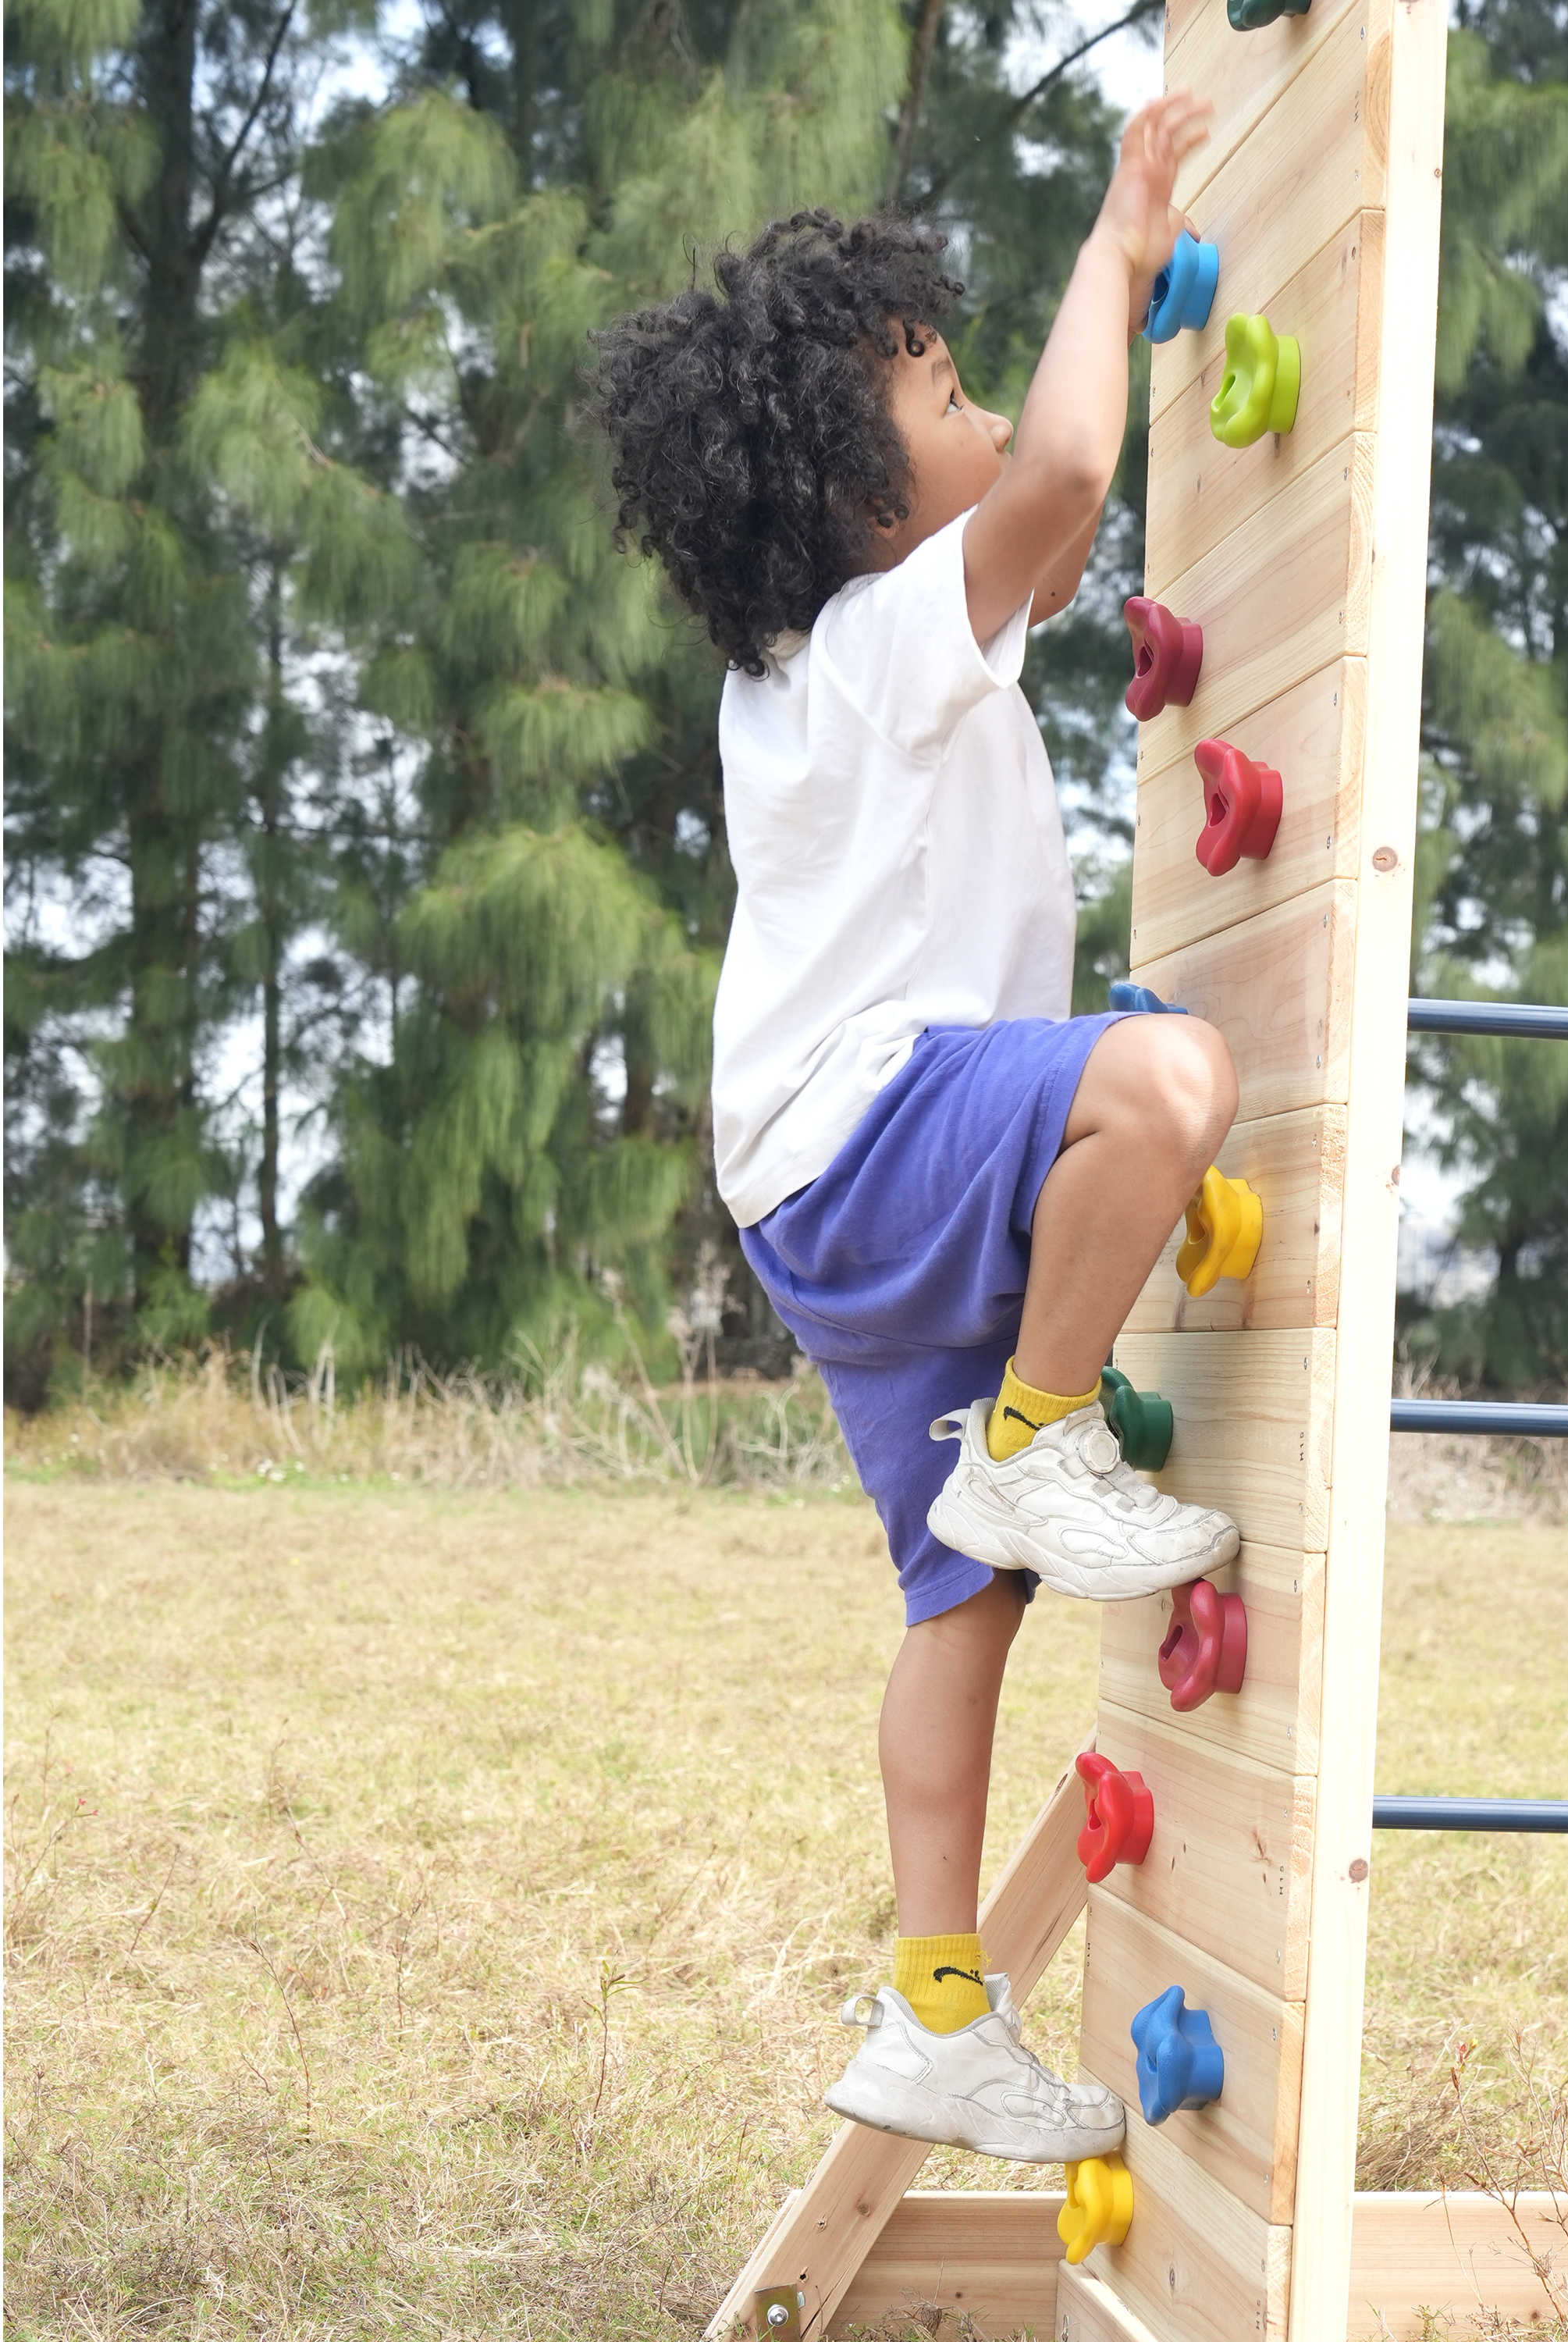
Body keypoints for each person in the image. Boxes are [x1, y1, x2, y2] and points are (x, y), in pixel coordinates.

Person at [587, 94, 1231, 2164]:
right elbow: (1065, 467)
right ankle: (1042, 1445)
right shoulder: (884, 645)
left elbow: (1011, 479)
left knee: (965, 1599)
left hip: (809, 1186)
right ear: (866, 509)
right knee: (1166, 1084)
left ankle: (934, 2001)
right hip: (864, 1145)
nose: (972, 409)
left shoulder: (804, 667)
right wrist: (1122, 245)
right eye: (934, 387)